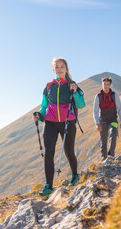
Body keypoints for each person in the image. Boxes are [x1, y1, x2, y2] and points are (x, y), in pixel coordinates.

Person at [33, 58, 85, 196]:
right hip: (50, 123)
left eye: (62, 66)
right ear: (53, 69)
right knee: (48, 152)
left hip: (68, 122)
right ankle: (48, 186)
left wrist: (75, 92)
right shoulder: (49, 86)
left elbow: (81, 105)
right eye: (57, 67)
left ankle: (74, 175)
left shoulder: (72, 85)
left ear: (66, 69)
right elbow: (44, 106)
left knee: (69, 152)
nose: (60, 69)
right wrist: (39, 114)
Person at [93, 77, 121, 160]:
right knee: (103, 141)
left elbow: (120, 108)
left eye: (108, 84)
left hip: (113, 120)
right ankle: (104, 158)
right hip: (102, 121)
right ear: (102, 85)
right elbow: (95, 111)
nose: (106, 86)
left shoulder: (114, 95)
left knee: (113, 132)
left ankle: (111, 156)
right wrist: (97, 123)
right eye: (104, 84)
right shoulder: (98, 96)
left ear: (110, 85)